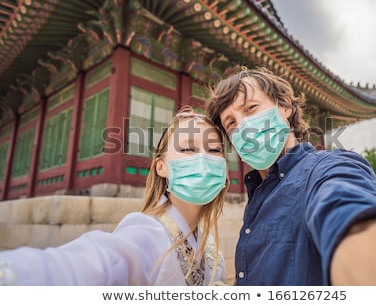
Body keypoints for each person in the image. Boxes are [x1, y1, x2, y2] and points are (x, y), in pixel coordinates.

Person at [206, 67, 376, 286]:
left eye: (251, 108)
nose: (244, 126)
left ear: (285, 107)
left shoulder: (327, 169)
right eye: (231, 124)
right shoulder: (257, 197)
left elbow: (350, 219)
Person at [0, 107, 229, 286]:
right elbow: (87, 266)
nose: (202, 159)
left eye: (214, 150)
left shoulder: (210, 245)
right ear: (161, 167)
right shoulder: (147, 233)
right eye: (188, 149)